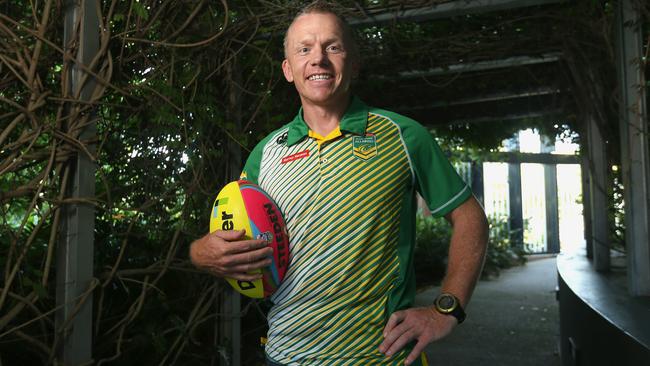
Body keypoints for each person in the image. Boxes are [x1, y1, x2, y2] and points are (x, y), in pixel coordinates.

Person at [190, 2, 488, 365]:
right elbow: (237, 234)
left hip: (380, 357)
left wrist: (446, 308)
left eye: (333, 46)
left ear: (354, 63)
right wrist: (202, 253)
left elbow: (469, 216)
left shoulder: (403, 136)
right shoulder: (265, 153)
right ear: (288, 69)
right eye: (304, 49)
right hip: (285, 356)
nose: (318, 59)